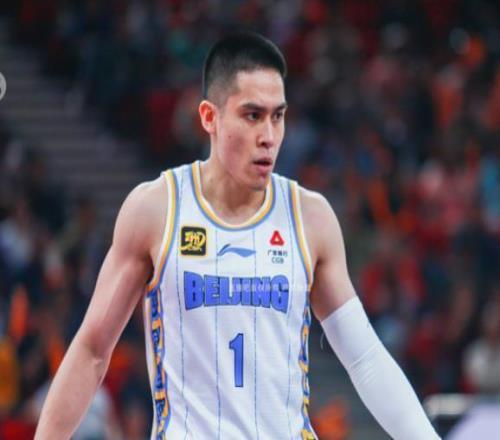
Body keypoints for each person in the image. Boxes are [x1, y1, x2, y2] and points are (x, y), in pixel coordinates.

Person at [35, 32, 440, 439]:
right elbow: (92, 351)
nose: (269, 136)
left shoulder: (310, 217)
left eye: (277, 116)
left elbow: (364, 357)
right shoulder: (156, 209)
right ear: (209, 117)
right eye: (252, 115)